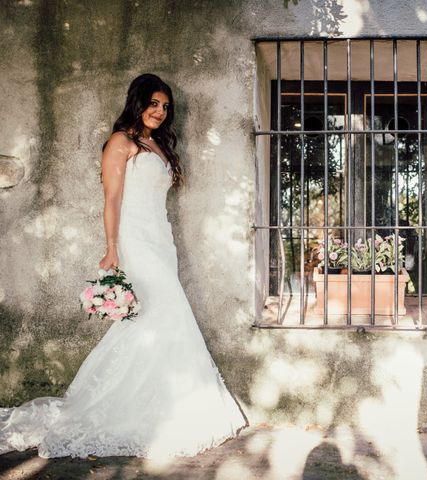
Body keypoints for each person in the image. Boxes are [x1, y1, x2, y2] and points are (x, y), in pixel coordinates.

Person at [0, 74, 247, 459]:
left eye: (165, 106)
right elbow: (112, 199)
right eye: (153, 103)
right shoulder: (121, 142)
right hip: (133, 240)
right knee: (160, 313)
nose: (160, 112)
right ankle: (130, 405)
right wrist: (112, 247)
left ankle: (160, 401)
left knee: (156, 318)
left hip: (161, 239)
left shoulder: (157, 144)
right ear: (138, 102)